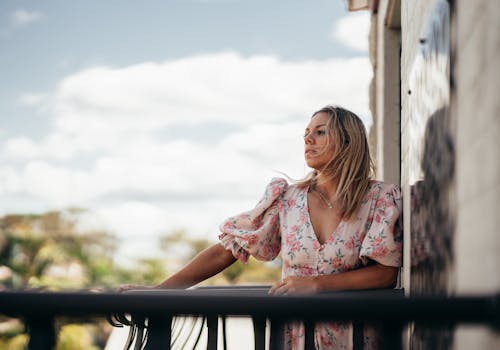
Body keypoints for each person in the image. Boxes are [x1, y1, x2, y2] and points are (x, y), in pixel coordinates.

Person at [119, 105, 403, 350]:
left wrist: (317, 284)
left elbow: (385, 273)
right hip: (294, 335)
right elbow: (226, 251)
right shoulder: (287, 200)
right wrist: (158, 292)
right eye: (305, 132)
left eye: (320, 131)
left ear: (347, 141)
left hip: (358, 337)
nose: (307, 138)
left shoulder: (380, 199)